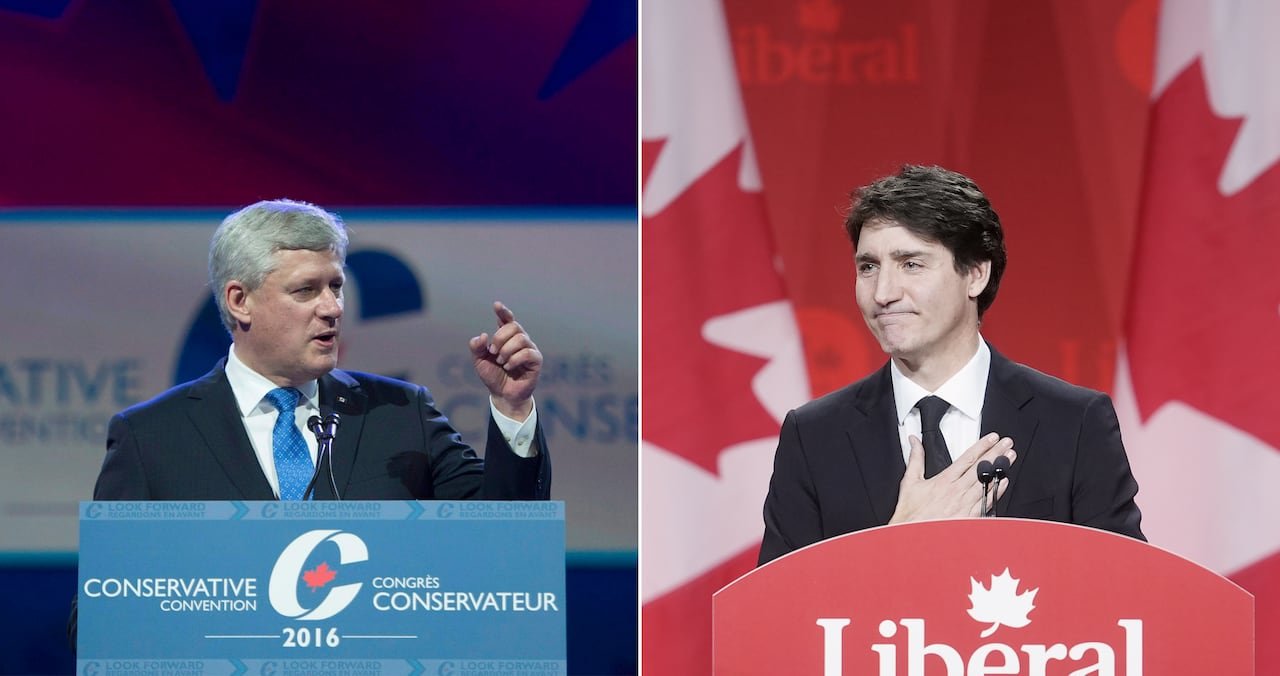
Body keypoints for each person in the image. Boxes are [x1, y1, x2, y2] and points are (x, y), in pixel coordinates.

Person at [758, 165, 1142, 565]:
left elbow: (1127, 594)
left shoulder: (1074, 423)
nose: (883, 293)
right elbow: (777, 615)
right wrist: (898, 541)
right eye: (868, 267)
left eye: (911, 264)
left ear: (975, 274)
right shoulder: (816, 437)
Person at [93, 198, 550, 501]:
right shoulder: (151, 438)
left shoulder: (399, 414)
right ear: (240, 301)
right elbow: (104, 611)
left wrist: (513, 407)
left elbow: (500, 535)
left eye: (336, 286)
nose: (332, 308)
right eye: (306, 290)